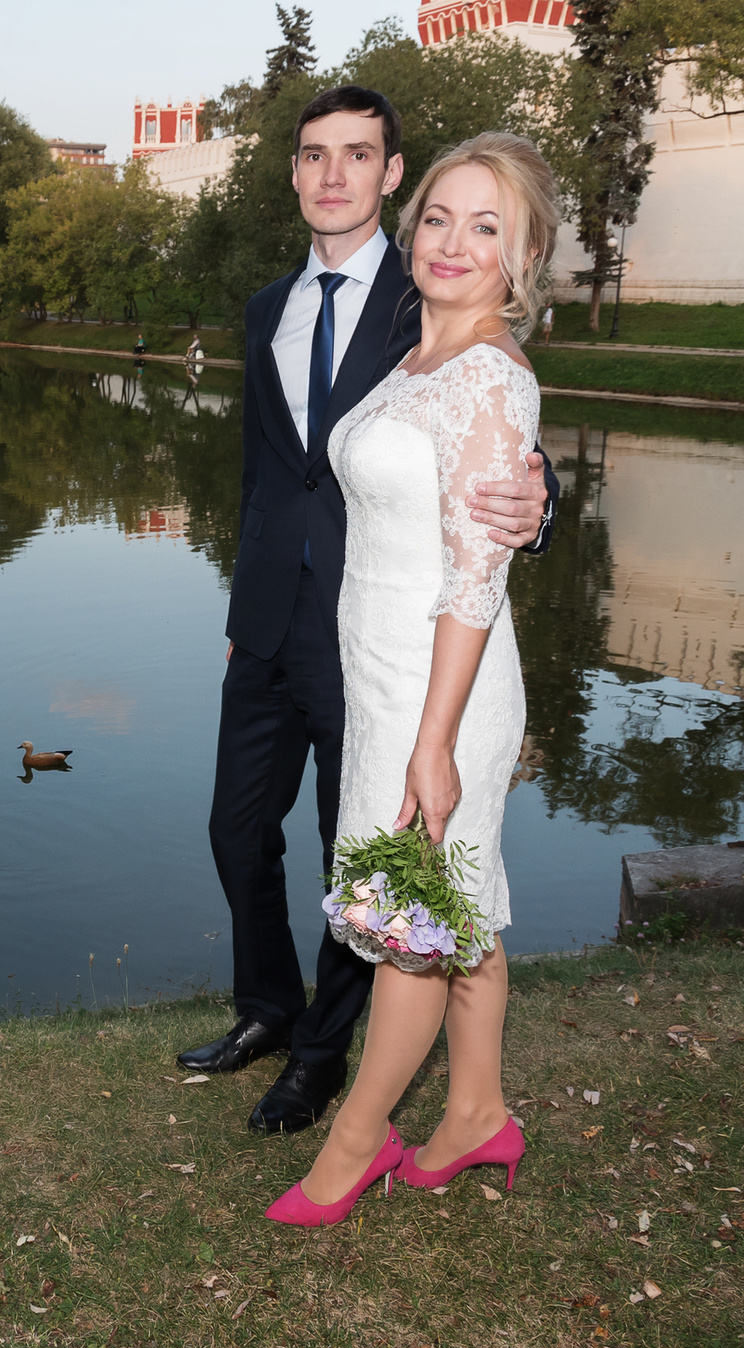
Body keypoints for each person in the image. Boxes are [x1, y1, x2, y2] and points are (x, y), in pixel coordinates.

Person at [177, 87, 557, 1136]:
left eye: (358, 155)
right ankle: (266, 1007)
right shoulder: (266, 308)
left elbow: (502, 434)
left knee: (359, 853)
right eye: (314, 155)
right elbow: (264, 472)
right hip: (268, 621)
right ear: (294, 173)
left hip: (381, 634)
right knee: (237, 828)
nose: (333, 174)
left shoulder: (430, 286)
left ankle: (320, 1056)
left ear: (393, 174)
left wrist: (541, 505)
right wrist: (240, 605)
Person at [264, 130, 557, 1226]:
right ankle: (475, 1112)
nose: (452, 241)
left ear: (523, 257)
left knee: (411, 925)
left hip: (444, 694)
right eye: (439, 216)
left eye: (487, 226)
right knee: (457, 906)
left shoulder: (489, 375)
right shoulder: (416, 355)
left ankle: (357, 1142)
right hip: (385, 677)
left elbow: (474, 581)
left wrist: (434, 745)